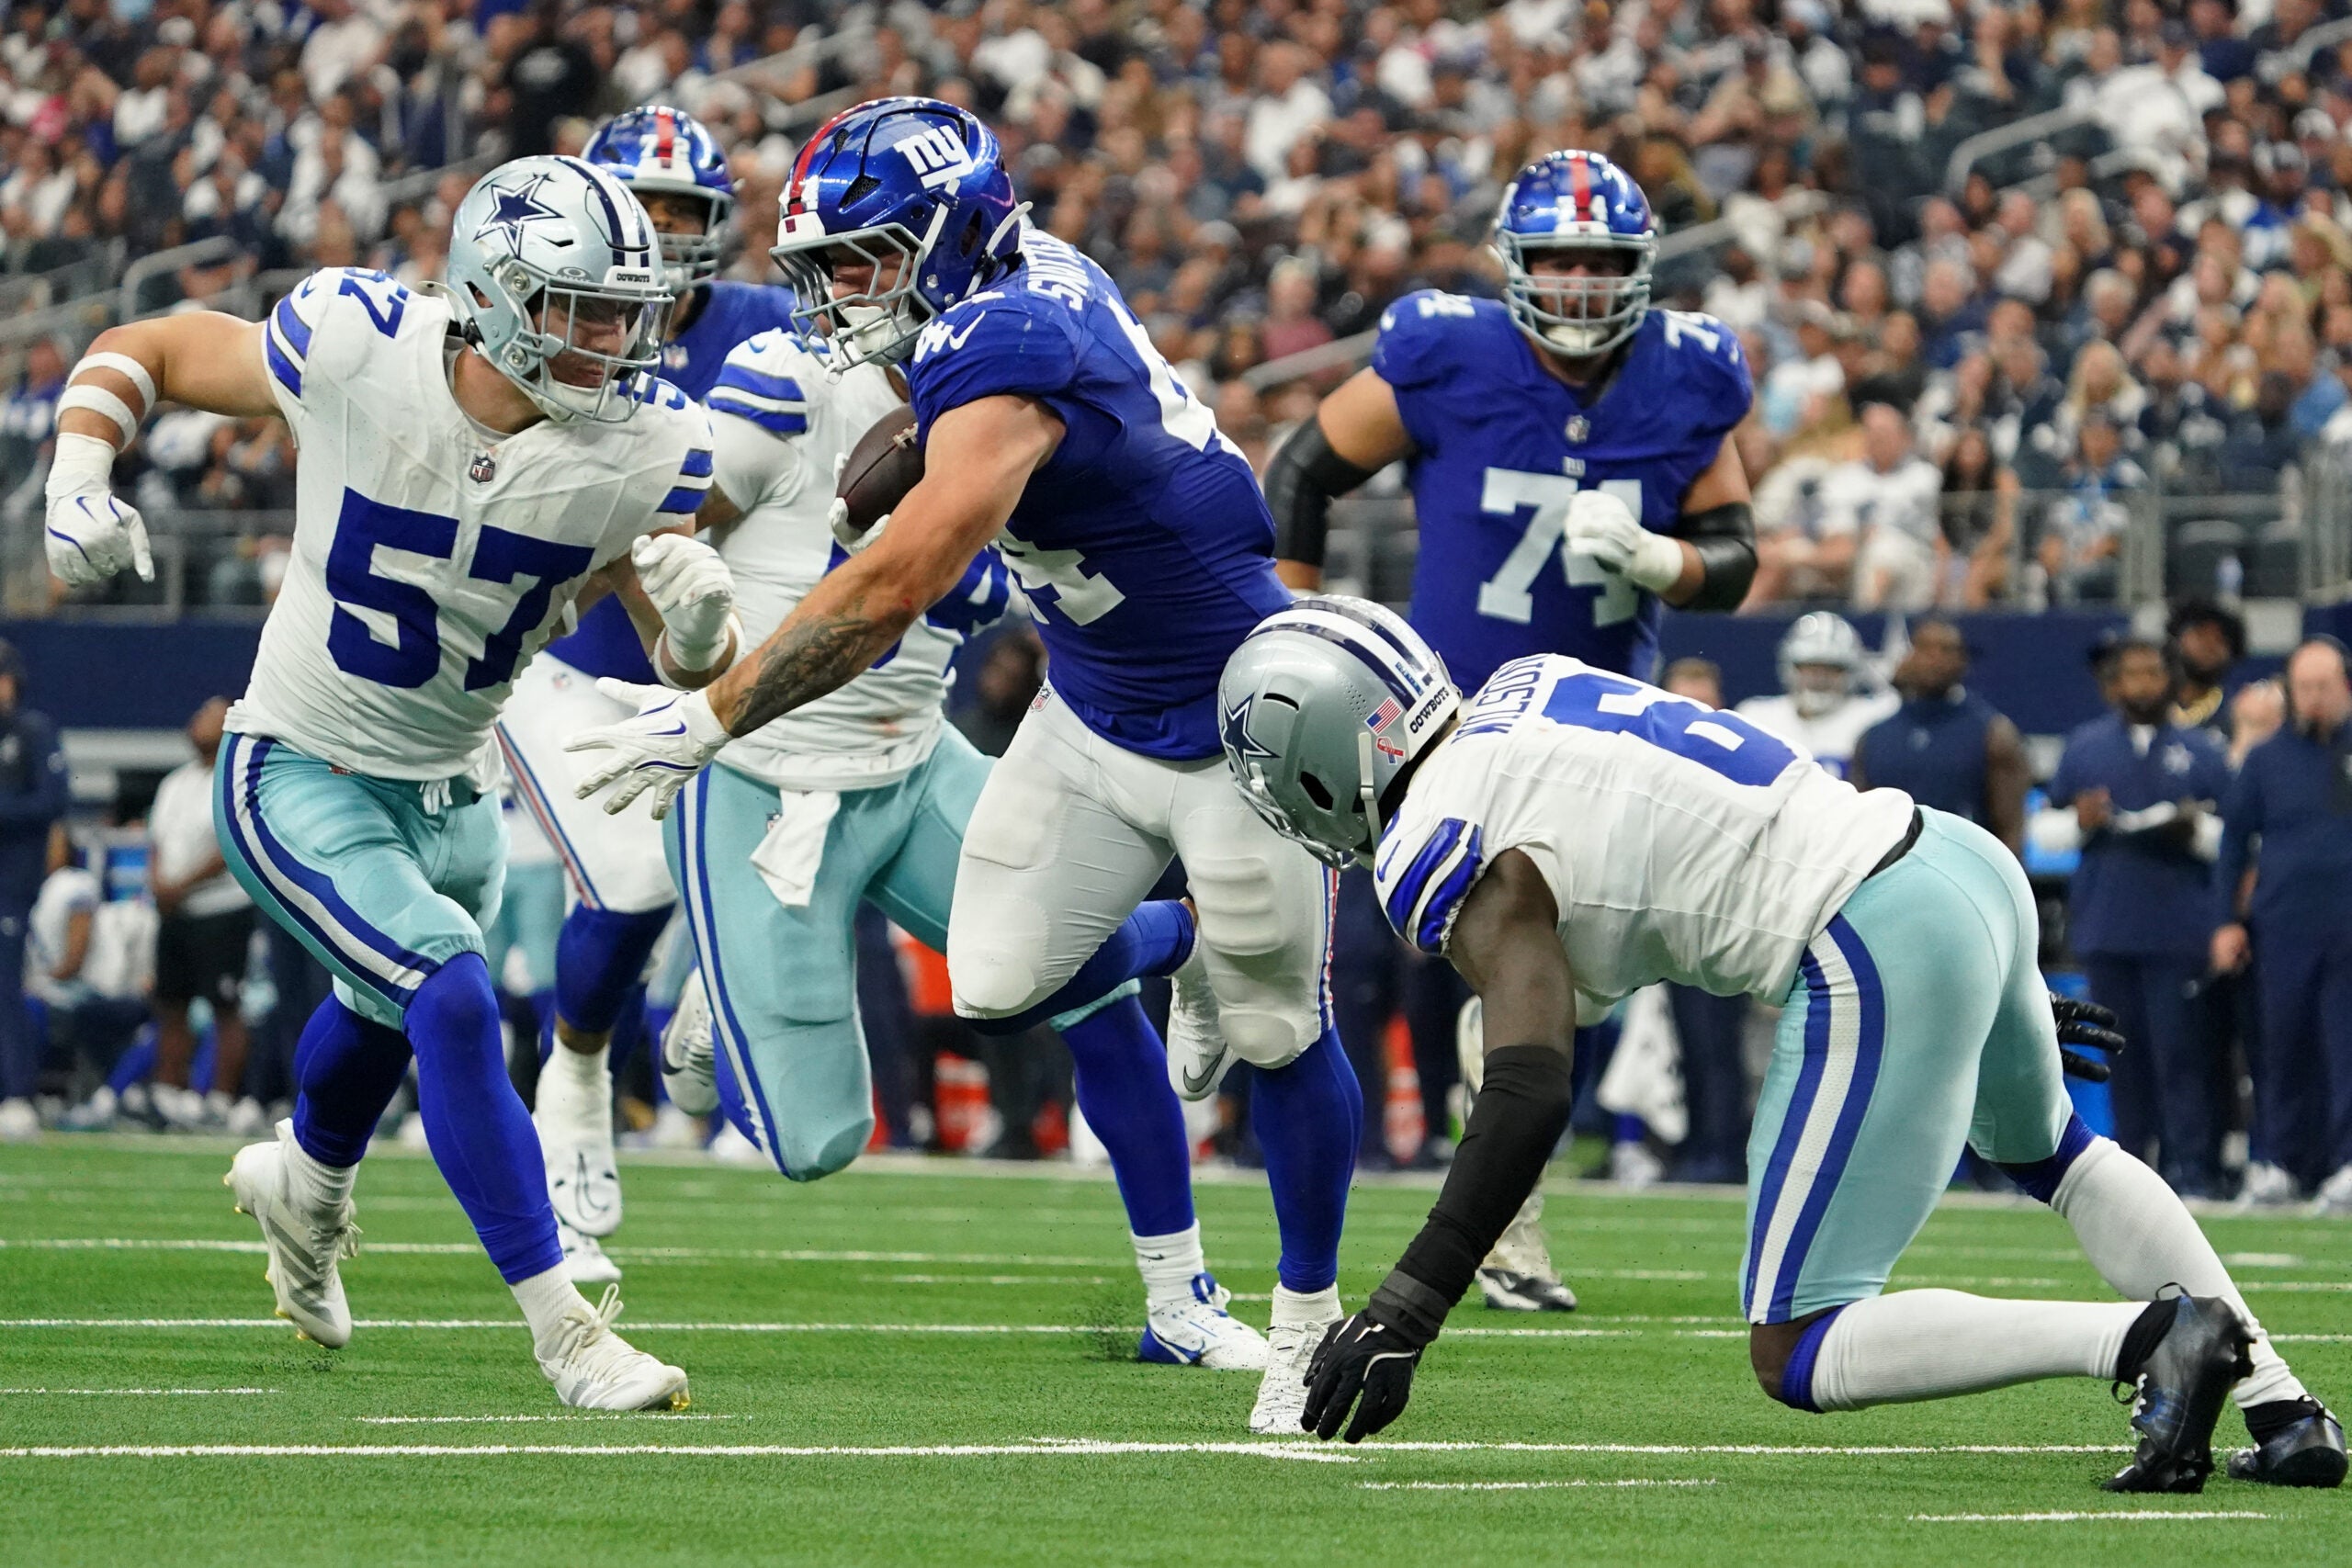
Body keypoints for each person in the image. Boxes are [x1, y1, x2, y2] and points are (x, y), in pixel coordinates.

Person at [567, 98, 1360, 1435]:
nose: (836, 293)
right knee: (999, 976)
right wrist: (875, 472)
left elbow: (898, 586)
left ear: (951, 234)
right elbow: (946, 436)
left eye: (866, 259)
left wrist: (712, 716)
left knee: (1284, 1027)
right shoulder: (1010, 291)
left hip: (1233, 708)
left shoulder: (1013, 327)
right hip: (1092, 700)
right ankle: (1187, 947)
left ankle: (1306, 1322)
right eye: (822, 265)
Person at [1220, 595, 2345, 1491]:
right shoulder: (1526, 689)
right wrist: (1961, 984)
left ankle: (2149, 1338)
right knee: (2053, 1150)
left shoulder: (1438, 839)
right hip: (1942, 859)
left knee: (1797, 1347)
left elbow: (1527, 1088)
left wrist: (1409, 1304)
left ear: (1319, 758)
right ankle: (2287, 1410)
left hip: (1867, 930)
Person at [42, 154, 733, 1410]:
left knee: (383, 1005)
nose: (610, 341)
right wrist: (79, 472)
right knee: (455, 996)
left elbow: (683, 629)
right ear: (493, 292)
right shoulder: (360, 344)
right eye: (578, 308)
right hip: (298, 764)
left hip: (455, 795)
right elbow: (145, 345)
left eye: (621, 313)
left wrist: (696, 627)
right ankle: (568, 1334)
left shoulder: (646, 446)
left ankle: (305, 1187)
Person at [648, 321, 1265, 1369]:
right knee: (814, 1143)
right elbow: (659, 538)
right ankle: (717, 983)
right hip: (766, 787)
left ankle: (1180, 1298)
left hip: (915, 762)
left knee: (1089, 994)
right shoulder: (784, 381)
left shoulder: (1017, 387)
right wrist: (691, 641)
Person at [1266, 147, 1758, 1315]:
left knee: (1570, 984)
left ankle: (1487, 1143)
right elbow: (1300, 471)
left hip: (1599, 717)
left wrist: (1663, 560)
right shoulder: (1447, 352)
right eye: (1559, 260)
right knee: (1503, 955)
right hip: (1457, 719)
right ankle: (1505, 1221)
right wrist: (1285, 628)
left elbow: (1734, 557)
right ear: (1514, 266)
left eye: (1603, 263)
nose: (1583, 285)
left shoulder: (1688, 377)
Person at [490, 107, 805, 1285]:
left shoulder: (772, 329)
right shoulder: (545, 329)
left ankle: (709, 1005)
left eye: (684, 214)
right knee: (629, 881)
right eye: (648, 209)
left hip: (726, 669)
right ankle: (573, 1065)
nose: (665, 235)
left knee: (803, 853)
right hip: (573, 658)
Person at [2046, 637, 2233, 1198]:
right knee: (2122, 1059)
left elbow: (2234, 838)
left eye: (2155, 672)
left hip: (2179, 929)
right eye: (2133, 674)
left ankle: (2191, 1171)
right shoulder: (2085, 747)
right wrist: (2080, 820)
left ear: (2171, 680)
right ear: (2114, 684)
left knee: (2182, 1056)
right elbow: (2048, 831)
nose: (2145, 684)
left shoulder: (2202, 751)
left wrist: (2194, 830)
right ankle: (2133, 1175)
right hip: (2108, 926)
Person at [2214, 638, 2352, 1213]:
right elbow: (2231, 843)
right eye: (2304, 688)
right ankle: (2283, 1163)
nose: (2314, 699)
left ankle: (2346, 1164)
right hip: (2285, 926)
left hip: (2348, 928)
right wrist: (2226, 921)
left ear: (2346, 686)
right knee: (2281, 1047)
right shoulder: (2267, 759)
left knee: (2345, 1047)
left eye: (2325, 686)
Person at [147, 696, 262, 1134]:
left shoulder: (236, 780)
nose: (196, 721)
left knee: (225, 1005)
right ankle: (168, 1095)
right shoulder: (174, 782)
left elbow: (229, 848)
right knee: (171, 1003)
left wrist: (178, 886)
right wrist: (159, 883)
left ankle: (219, 1099)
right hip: (175, 910)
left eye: (206, 714)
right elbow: (157, 843)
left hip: (221, 908)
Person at [1851, 619, 2029, 852]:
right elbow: (1859, 826)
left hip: (1962, 872)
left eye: (1946, 650)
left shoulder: (1993, 735)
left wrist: (2006, 886)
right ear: (1908, 657)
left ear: (1964, 661)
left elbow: (2011, 828)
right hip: (1890, 876)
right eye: (1925, 648)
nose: (1935, 659)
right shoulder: (1873, 738)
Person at [0, 637, 67, 1139]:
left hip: (12, 881)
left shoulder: (31, 733)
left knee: (6, 986)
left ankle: (19, 1091)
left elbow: (50, 801)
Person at [1735, 612, 1897, 779]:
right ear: (1789, 669)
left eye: (1832, 669)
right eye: (1810, 668)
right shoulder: (1758, 716)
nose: (1819, 679)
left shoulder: (1872, 717)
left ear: (1851, 673)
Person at [1826, 403, 1945, 612]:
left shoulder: (1925, 477)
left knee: (1883, 549)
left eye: (1884, 432)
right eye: (1870, 431)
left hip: (1916, 559)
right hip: (1854, 555)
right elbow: (1835, 531)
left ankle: (1865, 622)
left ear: (1903, 436)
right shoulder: (1845, 476)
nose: (1876, 438)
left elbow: (1939, 536)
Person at [2169, 598, 2247, 740]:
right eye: (2201, 635)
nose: (2209, 646)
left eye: (2220, 640)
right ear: (2177, 639)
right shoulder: (2149, 705)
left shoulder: (2239, 712)